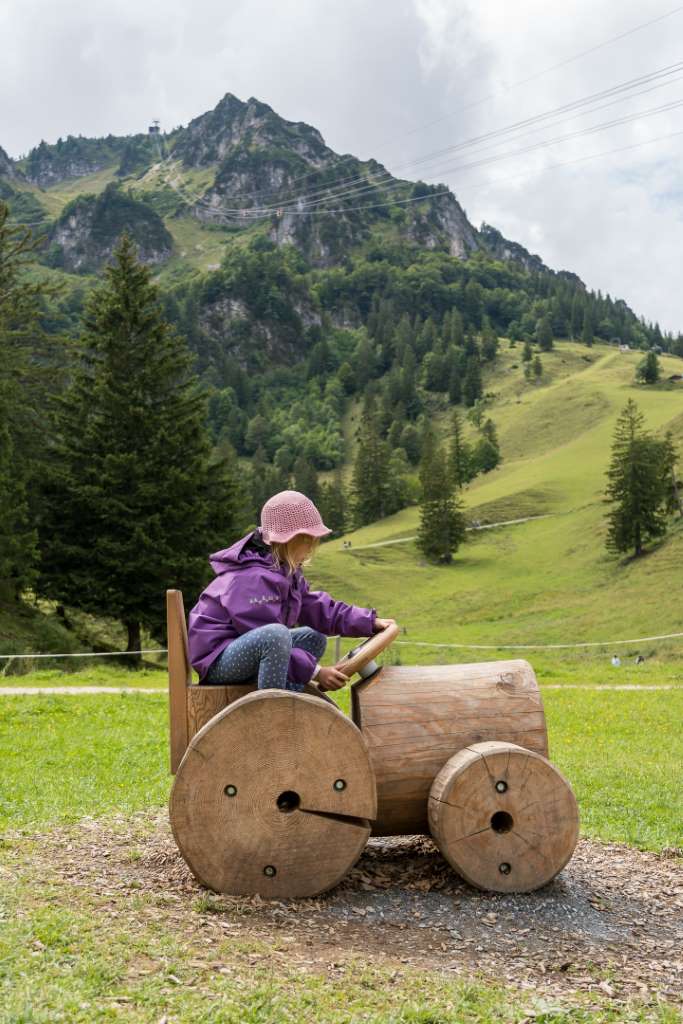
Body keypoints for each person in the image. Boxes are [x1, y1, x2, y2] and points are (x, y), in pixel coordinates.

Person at [187, 490, 396, 692]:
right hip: (218, 660)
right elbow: (260, 632)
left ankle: (291, 698)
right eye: (308, 541)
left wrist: (368, 622)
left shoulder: (285, 573)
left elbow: (319, 609)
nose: (310, 548)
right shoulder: (252, 578)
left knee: (314, 636)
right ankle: (274, 711)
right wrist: (316, 672)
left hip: (246, 649)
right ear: (289, 540)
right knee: (276, 635)